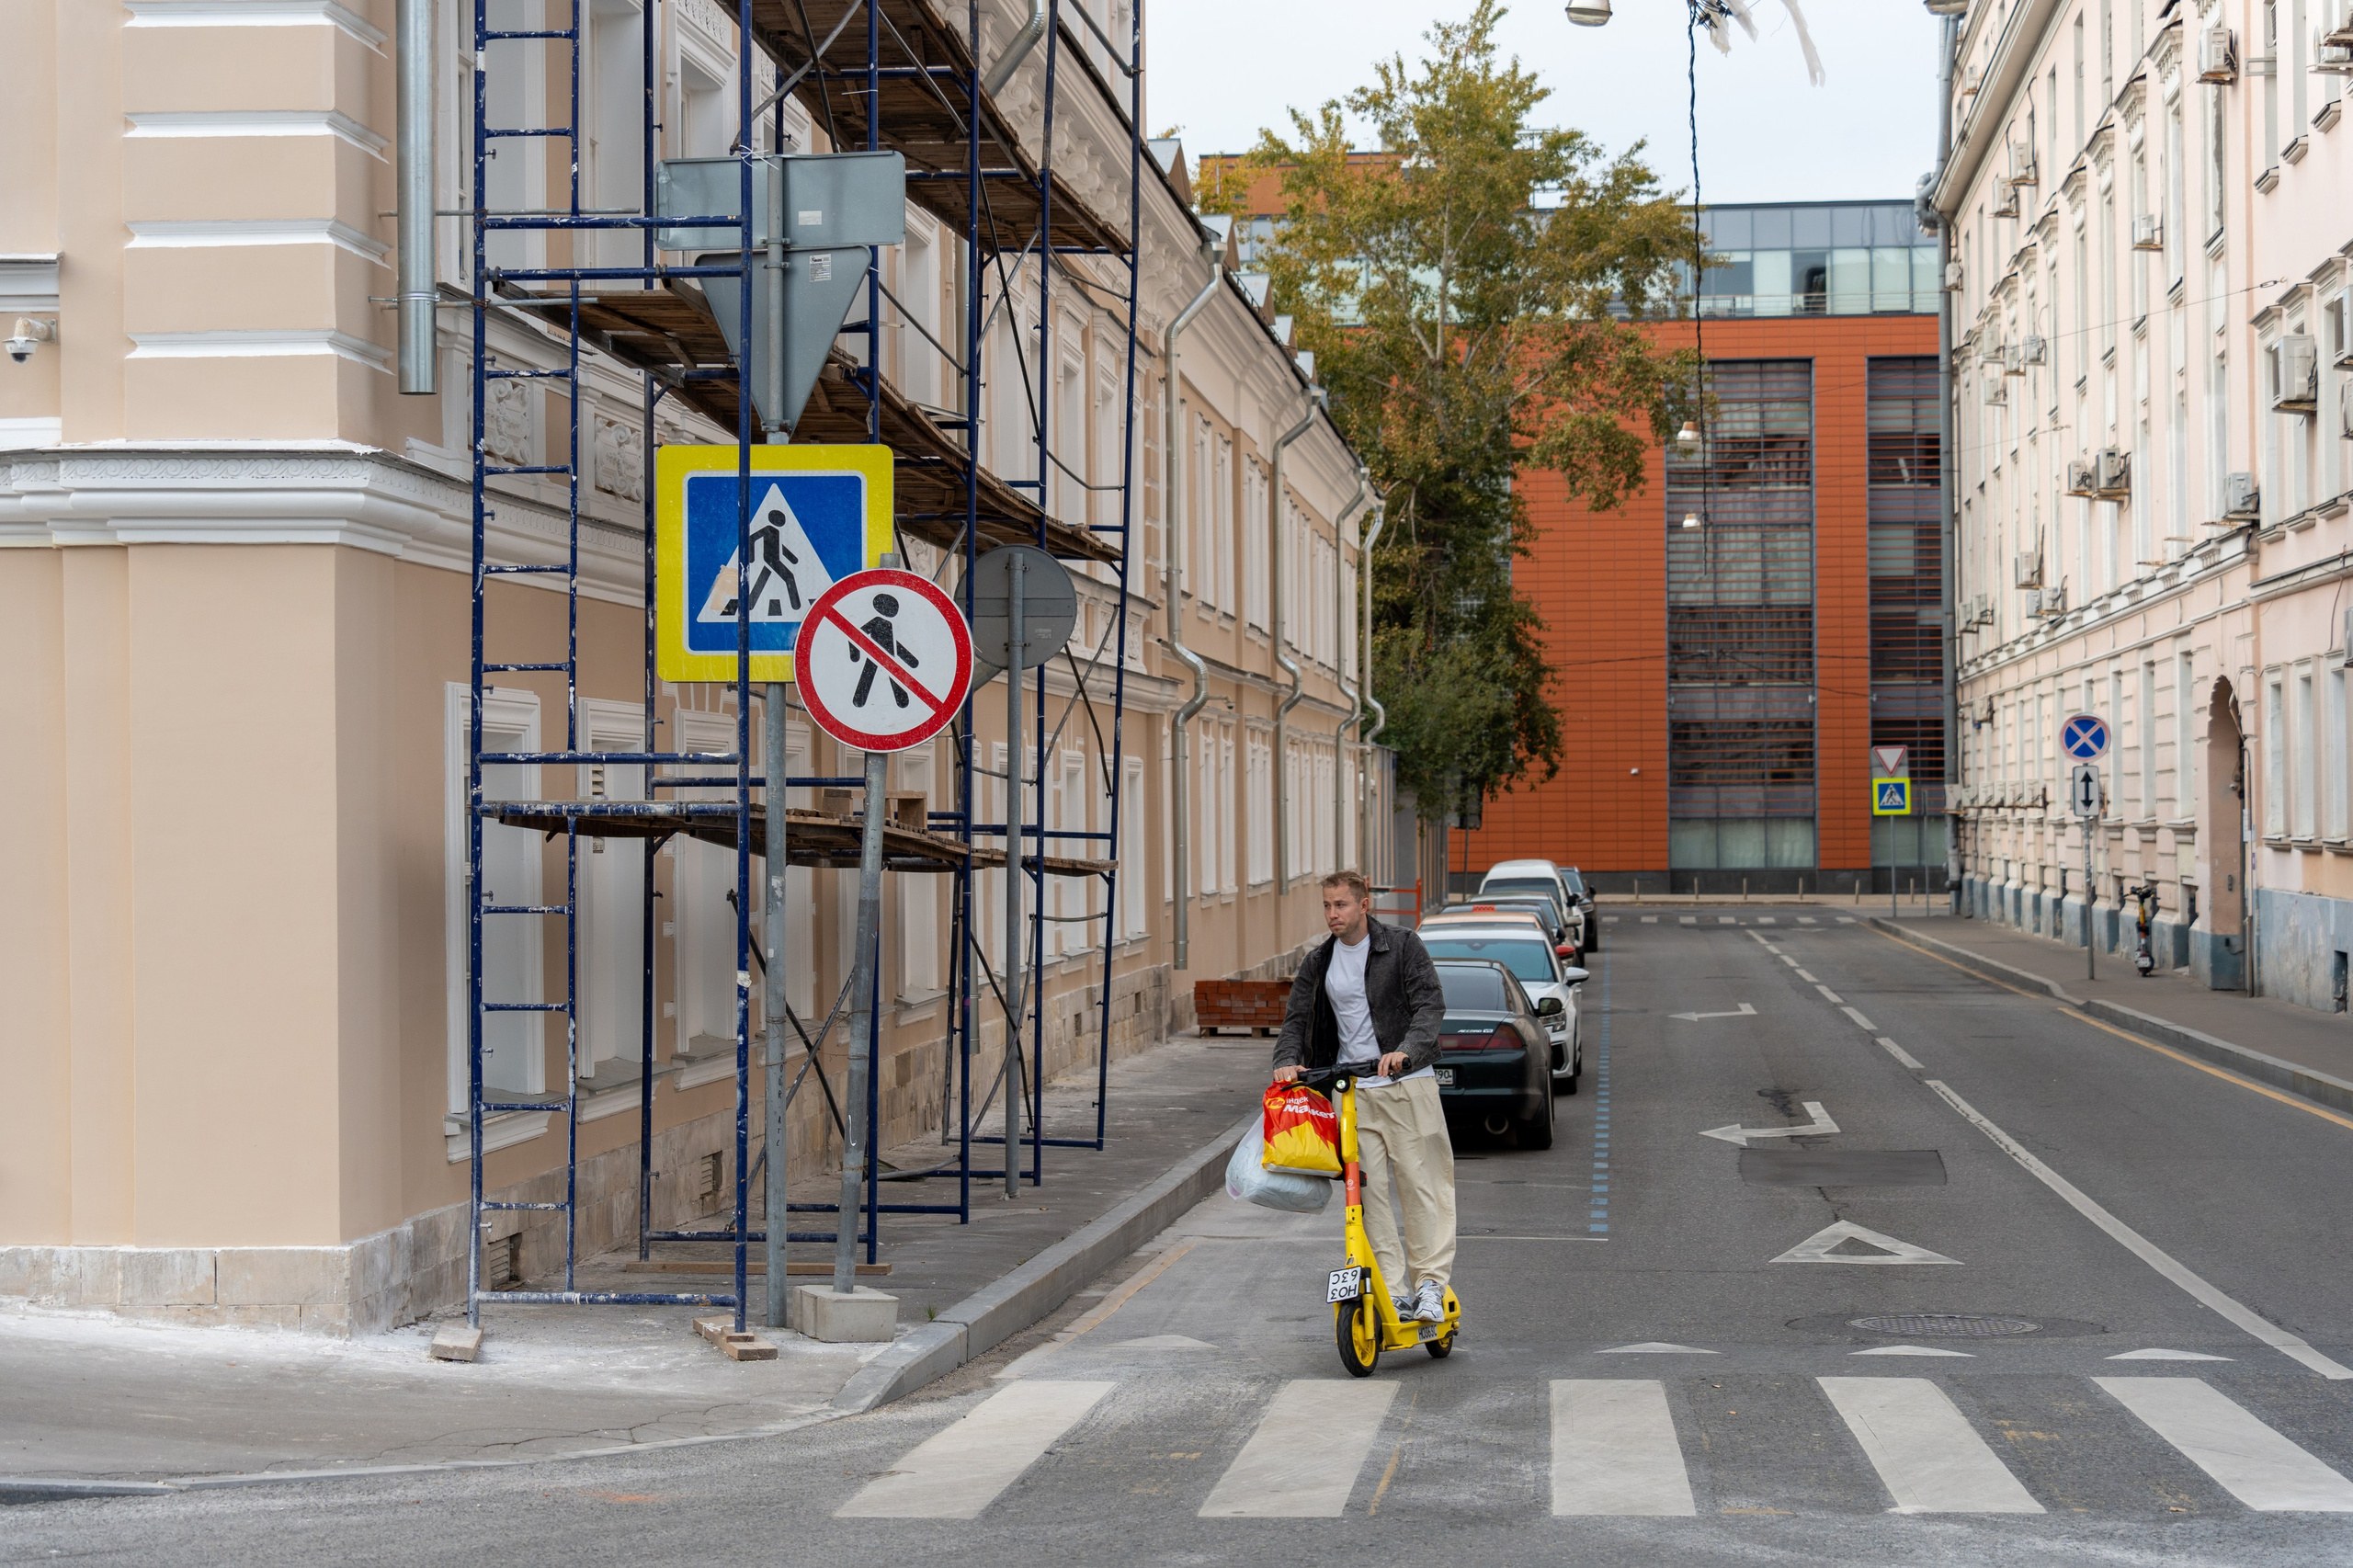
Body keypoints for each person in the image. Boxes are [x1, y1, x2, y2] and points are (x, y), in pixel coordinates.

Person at [1272, 869, 1454, 1324]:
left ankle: (1430, 1285)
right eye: (1327, 906)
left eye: (1341, 905)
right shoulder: (1319, 961)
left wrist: (1406, 1051)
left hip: (1407, 1084)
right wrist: (1288, 1059)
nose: (1333, 914)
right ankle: (1392, 1291)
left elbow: (1430, 1004)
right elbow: (1296, 1017)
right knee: (1365, 1197)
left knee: (1421, 1186)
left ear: (1364, 904)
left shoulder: (1402, 945)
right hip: (1352, 1093)